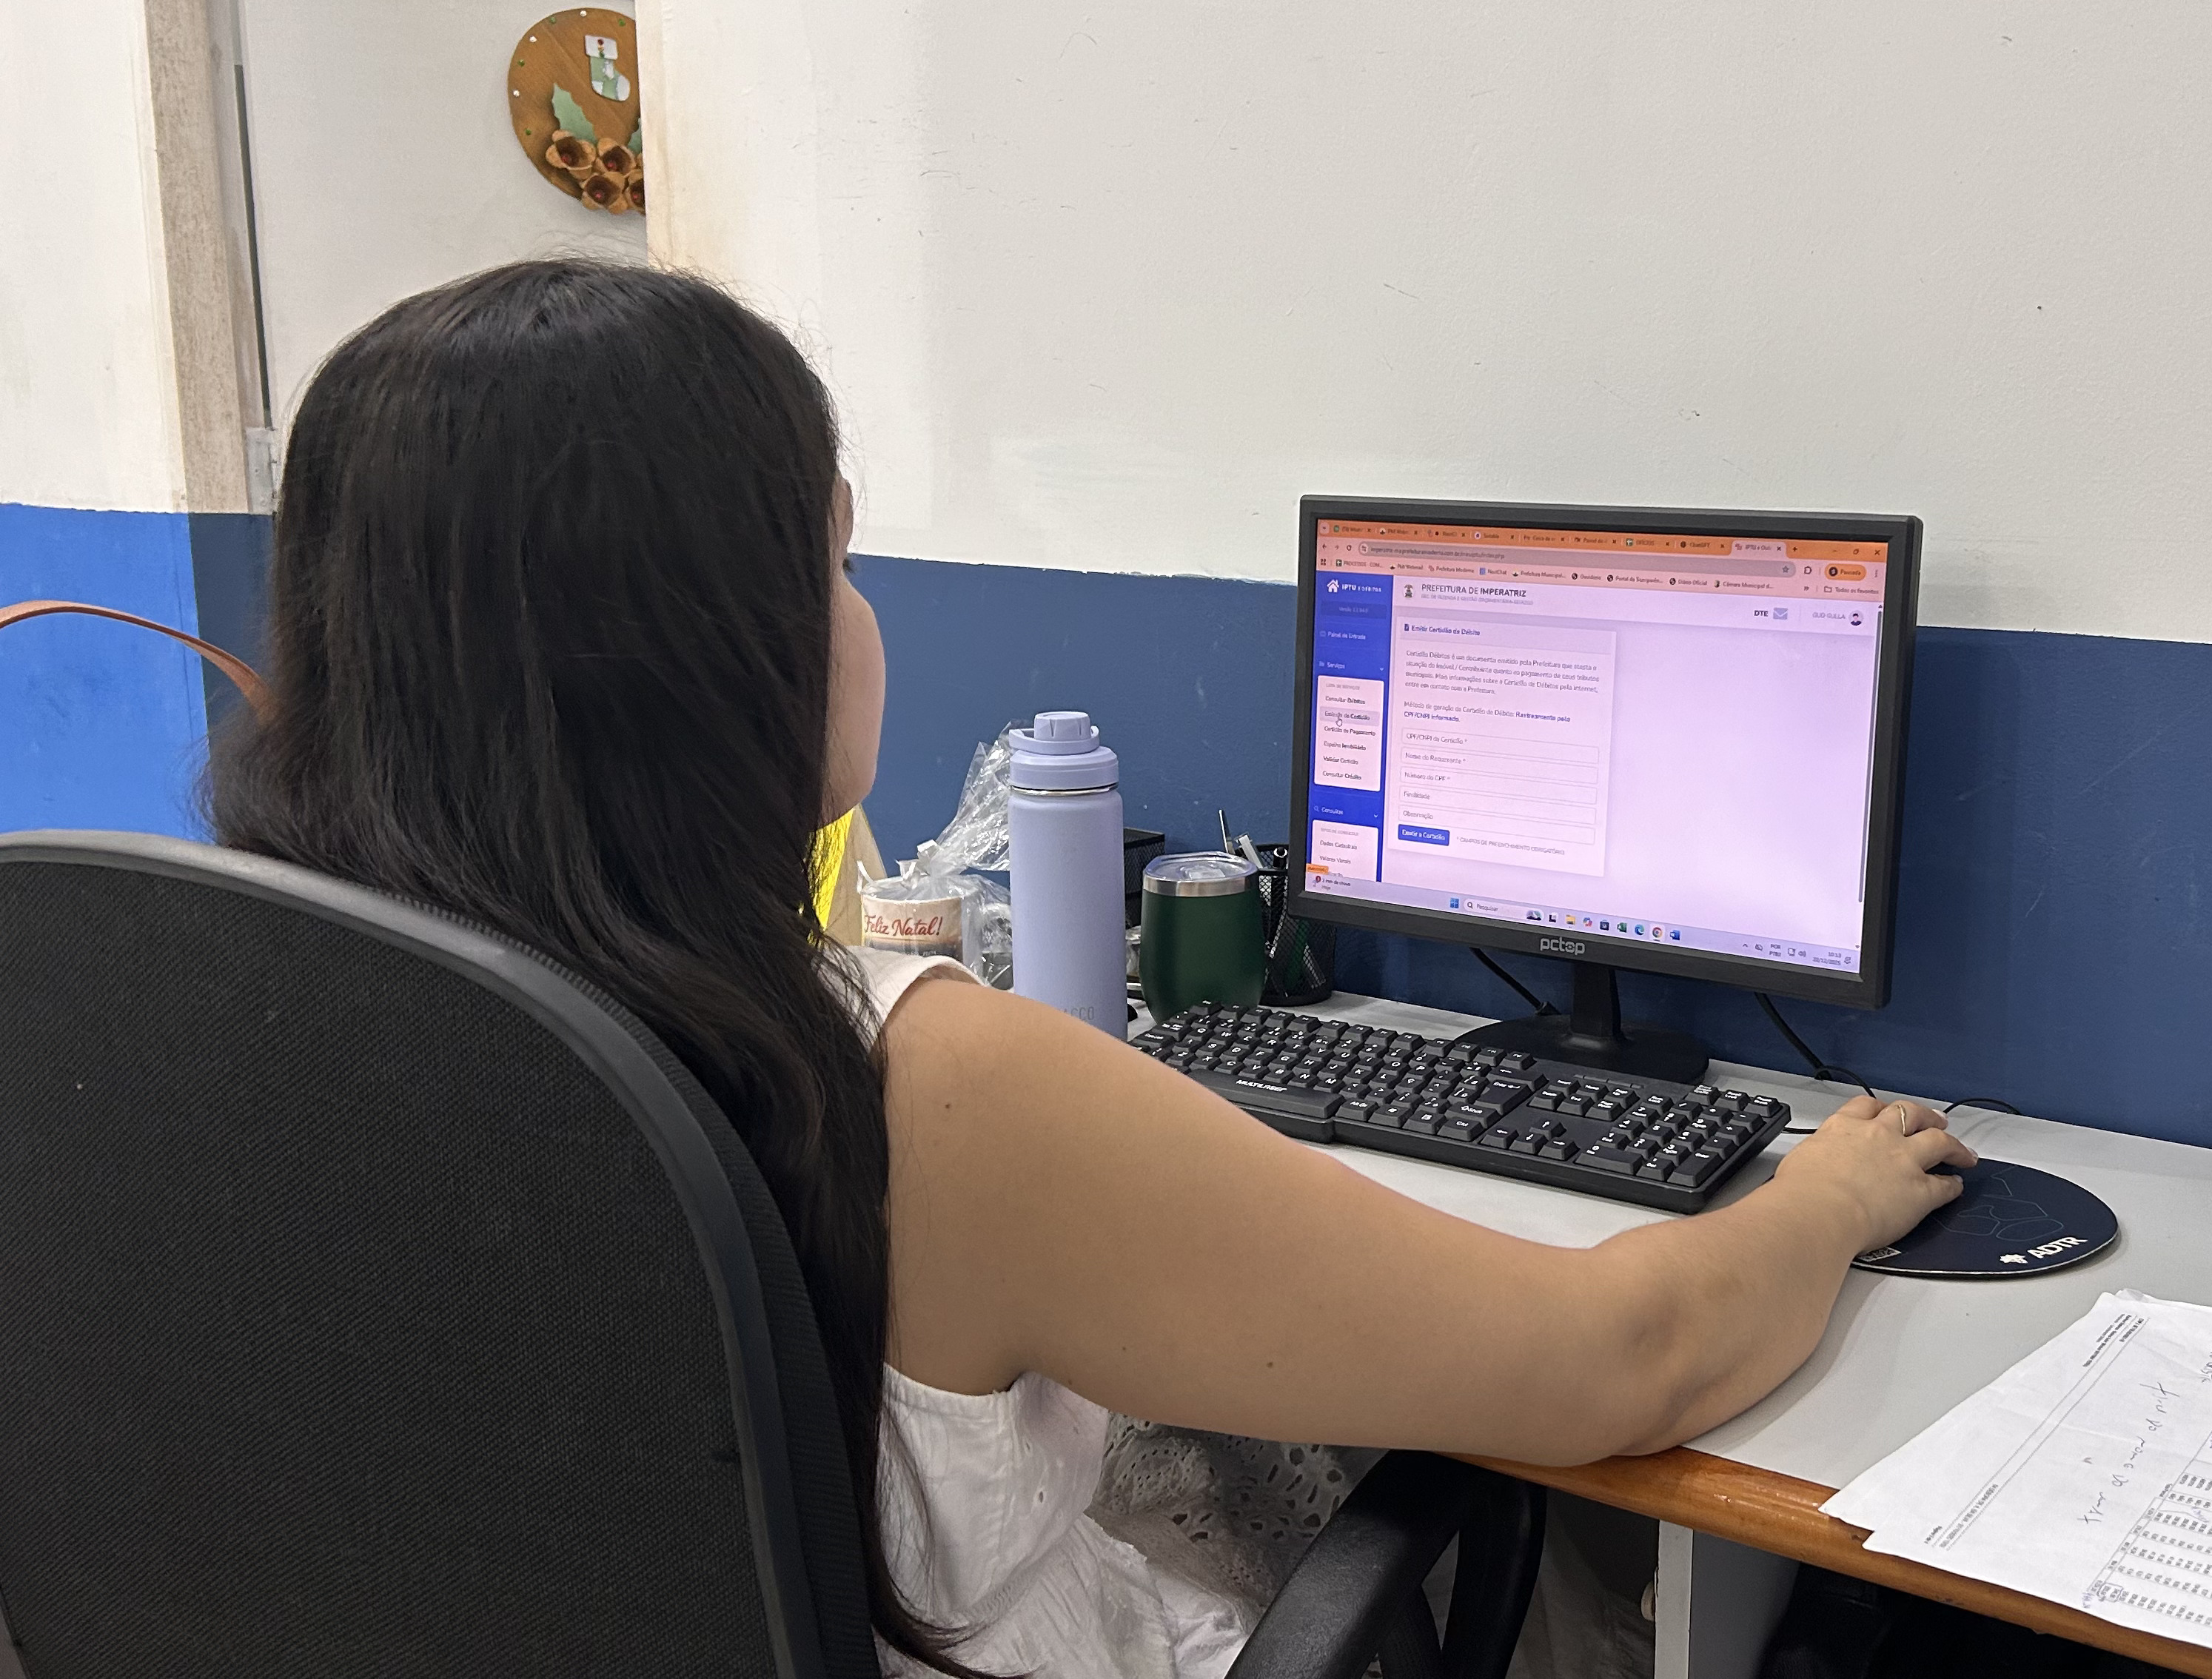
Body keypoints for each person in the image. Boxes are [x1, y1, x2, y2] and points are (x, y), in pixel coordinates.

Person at [214, 260, 1972, 1679]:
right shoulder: (922, 1084)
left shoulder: (257, 1009)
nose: (861, 615)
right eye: (835, 559)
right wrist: (1828, 1200)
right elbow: (1622, 1355)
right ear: (718, 649)